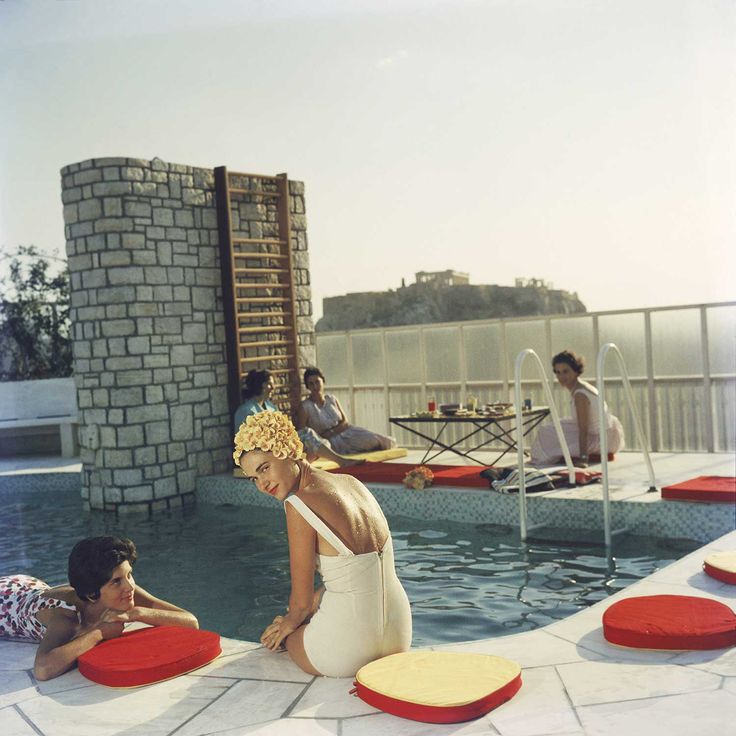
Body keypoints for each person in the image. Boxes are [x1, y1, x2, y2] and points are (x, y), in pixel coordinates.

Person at [234, 411, 412, 677]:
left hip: (351, 649)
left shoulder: (298, 504)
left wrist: (287, 624)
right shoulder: (353, 484)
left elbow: (301, 603)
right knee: (320, 603)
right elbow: (356, 572)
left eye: (264, 468)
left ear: (286, 450)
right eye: (253, 478)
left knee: (289, 637)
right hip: (399, 633)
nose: (262, 484)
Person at [0, 536, 198, 681]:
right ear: (91, 593)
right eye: (117, 581)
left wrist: (137, 613)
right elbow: (43, 669)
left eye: (129, 574)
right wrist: (99, 632)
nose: (129, 586)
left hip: (27, 585)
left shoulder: (126, 591)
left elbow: (190, 621)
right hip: (5, 603)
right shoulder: (66, 616)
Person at [234, 369, 362, 468]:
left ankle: (304, 466)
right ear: (260, 386)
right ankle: (341, 461)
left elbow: (284, 427)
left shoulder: (270, 406)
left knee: (319, 443)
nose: (273, 387)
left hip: (278, 445)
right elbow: (247, 442)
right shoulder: (246, 411)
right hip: (262, 452)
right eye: (270, 384)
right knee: (307, 435)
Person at [530, 350, 625, 467]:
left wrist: (583, 458)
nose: (561, 376)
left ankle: (573, 454)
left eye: (566, 371)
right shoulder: (580, 386)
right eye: (558, 372)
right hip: (606, 433)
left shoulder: (580, 394)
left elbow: (583, 429)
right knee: (551, 428)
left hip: (602, 439)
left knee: (547, 433)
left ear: (575, 371)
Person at [295, 367, 396, 455]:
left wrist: (333, 431)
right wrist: (324, 437)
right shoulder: (305, 407)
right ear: (308, 387)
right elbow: (303, 433)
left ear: (323, 381)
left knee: (377, 440)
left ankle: (361, 448)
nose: (315, 386)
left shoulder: (332, 399)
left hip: (347, 433)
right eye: (311, 384)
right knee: (332, 448)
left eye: (317, 382)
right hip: (326, 441)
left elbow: (345, 422)